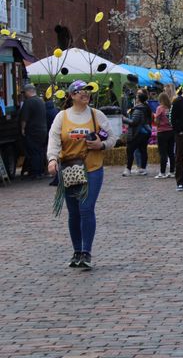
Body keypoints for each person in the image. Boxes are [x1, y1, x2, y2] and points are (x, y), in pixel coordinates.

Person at [47, 80, 118, 269]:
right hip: (69, 169)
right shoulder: (62, 117)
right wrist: (52, 160)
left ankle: (86, 252)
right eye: (79, 91)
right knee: (74, 212)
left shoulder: (97, 115)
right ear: (71, 95)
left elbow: (112, 137)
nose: (84, 94)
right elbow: (53, 140)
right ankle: (77, 251)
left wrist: (100, 145)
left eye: (86, 90)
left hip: (92, 169)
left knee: (86, 208)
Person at [122, 89, 152, 177]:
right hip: (145, 133)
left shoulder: (138, 109)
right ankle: (143, 169)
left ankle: (128, 169)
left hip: (137, 133)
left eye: (137, 96)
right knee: (143, 151)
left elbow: (134, 122)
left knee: (130, 151)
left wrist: (124, 119)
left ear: (139, 99)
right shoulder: (146, 108)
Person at [19, 84, 47, 179]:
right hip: (43, 130)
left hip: (32, 131)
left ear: (28, 91)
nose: (24, 95)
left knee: (33, 152)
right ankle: (40, 171)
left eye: (24, 92)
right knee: (40, 151)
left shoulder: (28, 102)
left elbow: (24, 119)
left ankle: (35, 173)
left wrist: (22, 129)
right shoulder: (41, 101)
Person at [153, 92, 175, 179]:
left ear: (161, 100)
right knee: (171, 152)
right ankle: (172, 171)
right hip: (171, 132)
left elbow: (157, 121)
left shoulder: (159, 108)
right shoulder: (170, 108)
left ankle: (162, 172)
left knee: (163, 153)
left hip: (162, 132)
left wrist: (155, 118)